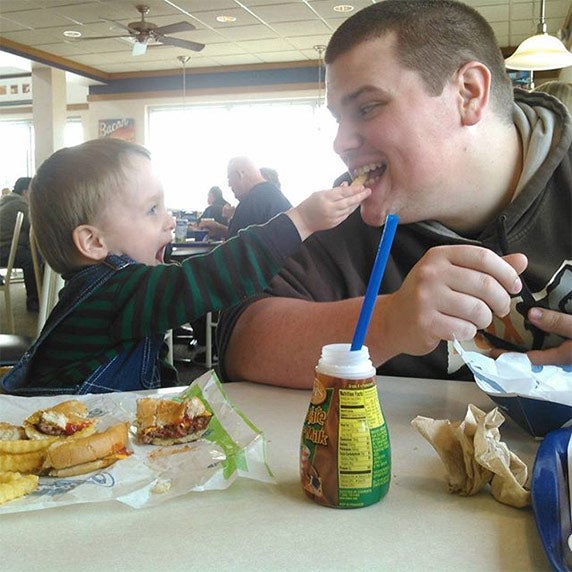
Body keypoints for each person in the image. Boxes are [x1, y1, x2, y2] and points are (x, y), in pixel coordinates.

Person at [217, 0, 572, 389]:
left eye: (367, 108)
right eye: (338, 118)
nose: (340, 142)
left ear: (468, 94)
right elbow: (243, 341)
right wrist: (389, 321)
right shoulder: (352, 211)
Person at [0, 138, 369, 396]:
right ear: (94, 243)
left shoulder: (104, 291)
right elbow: (208, 279)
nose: (169, 221)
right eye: (151, 210)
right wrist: (302, 220)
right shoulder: (115, 290)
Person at [0, 176, 40, 312]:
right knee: (31, 259)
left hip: (4, 246)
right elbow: (36, 228)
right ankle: (34, 299)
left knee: (31, 252)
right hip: (3, 249)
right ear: (25, 192)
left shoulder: (7, 201)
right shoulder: (20, 205)